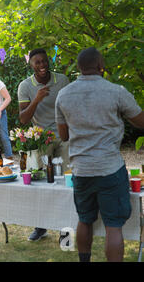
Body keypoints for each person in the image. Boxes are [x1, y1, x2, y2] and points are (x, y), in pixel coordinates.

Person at [56, 47, 144, 262]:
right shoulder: (116, 91)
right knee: (113, 225)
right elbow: (141, 122)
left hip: (81, 170)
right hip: (109, 168)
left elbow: (63, 135)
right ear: (101, 66)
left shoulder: (64, 94)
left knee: (84, 219)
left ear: (79, 68)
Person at [17, 48, 70, 242]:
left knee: (66, 182)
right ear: (31, 65)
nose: (42, 65)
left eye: (44, 61)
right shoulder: (25, 86)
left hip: (64, 136)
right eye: (37, 62)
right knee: (40, 183)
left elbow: (71, 106)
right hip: (41, 138)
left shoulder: (62, 81)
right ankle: (40, 226)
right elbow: (23, 119)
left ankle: (66, 229)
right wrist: (37, 99)